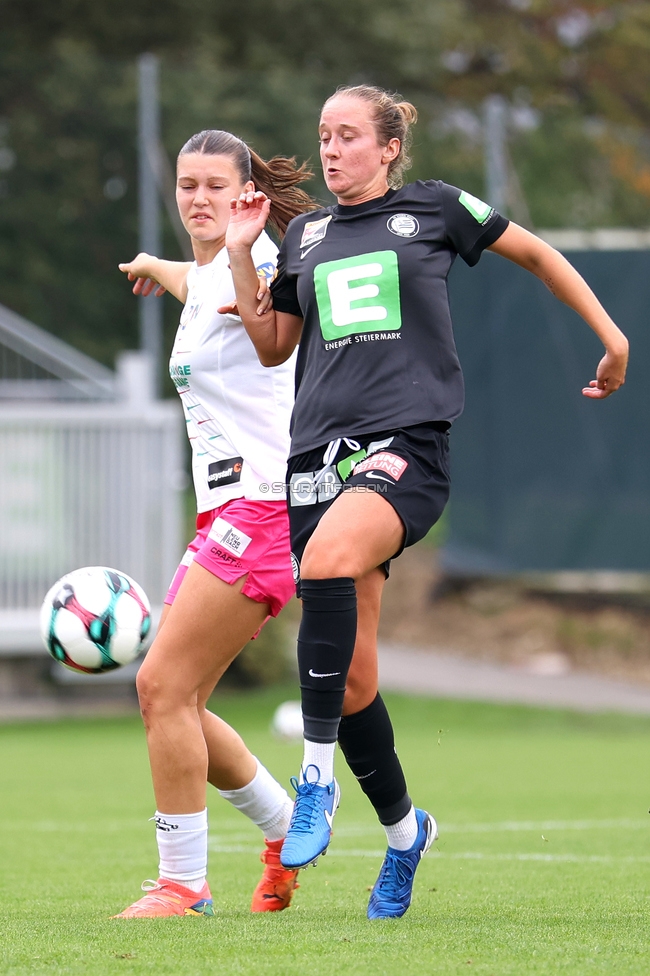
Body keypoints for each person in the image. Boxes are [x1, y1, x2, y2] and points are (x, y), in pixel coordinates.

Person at [224, 85, 629, 920]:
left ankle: (314, 782)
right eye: (322, 136)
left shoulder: (437, 210)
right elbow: (272, 348)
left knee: (330, 561)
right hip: (315, 460)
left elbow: (541, 256)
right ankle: (408, 834)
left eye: (347, 137)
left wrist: (613, 334)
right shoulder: (304, 234)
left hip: (406, 446)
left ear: (388, 147)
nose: (331, 151)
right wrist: (241, 251)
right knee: (356, 679)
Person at [112, 129, 316, 918]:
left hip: (263, 509)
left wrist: (227, 265)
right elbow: (187, 278)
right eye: (186, 184)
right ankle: (286, 825)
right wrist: (150, 267)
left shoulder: (256, 268)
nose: (198, 198)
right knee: (182, 700)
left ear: (247, 196)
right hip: (230, 511)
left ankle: (182, 884)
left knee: (161, 686)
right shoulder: (205, 272)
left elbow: (254, 312)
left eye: (214, 186)